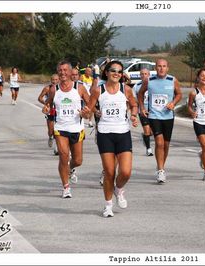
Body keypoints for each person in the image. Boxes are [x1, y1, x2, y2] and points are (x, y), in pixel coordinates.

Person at [84, 60, 138, 217]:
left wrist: (134, 115)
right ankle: (108, 205)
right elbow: (90, 107)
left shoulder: (126, 89)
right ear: (106, 72)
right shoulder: (98, 91)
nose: (116, 73)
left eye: (119, 71)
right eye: (113, 70)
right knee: (109, 172)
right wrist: (88, 112)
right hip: (105, 133)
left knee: (126, 172)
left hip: (123, 133)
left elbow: (134, 105)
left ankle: (119, 189)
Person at [42, 61, 90, 198]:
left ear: (70, 72)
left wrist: (86, 112)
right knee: (63, 156)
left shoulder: (79, 87)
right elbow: (48, 104)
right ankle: (66, 187)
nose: (62, 73)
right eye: (60, 70)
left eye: (65, 70)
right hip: (60, 128)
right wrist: (45, 108)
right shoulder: (54, 89)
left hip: (77, 128)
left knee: (78, 160)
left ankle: (69, 169)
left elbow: (89, 104)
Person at [138, 58, 182, 184]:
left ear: (167, 68)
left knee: (166, 144)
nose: (161, 68)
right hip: (154, 116)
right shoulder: (149, 80)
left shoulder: (172, 80)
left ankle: (161, 165)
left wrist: (173, 103)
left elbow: (179, 94)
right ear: (155, 68)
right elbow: (140, 94)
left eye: (164, 66)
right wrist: (142, 108)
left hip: (168, 117)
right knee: (159, 142)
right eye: (159, 66)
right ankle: (161, 170)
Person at [133, 68, 153, 156]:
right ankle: (149, 149)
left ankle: (145, 136)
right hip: (143, 111)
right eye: (142, 74)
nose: (144, 75)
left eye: (146, 74)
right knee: (147, 130)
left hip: (154, 111)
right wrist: (134, 113)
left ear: (149, 75)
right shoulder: (136, 86)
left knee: (152, 132)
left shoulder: (154, 84)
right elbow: (134, 101)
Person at [38, 74, 59, 154]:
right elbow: (39, 98)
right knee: (51, 131)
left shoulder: (62, 88)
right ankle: (50, 137)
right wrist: (46, 104)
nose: (54, 81)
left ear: (59, 80)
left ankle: (57, 148)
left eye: (56, 80)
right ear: (51, 80)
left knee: (59, 129)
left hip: (59, 111)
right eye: (53, 80)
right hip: (50, 110)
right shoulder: (47, 88)